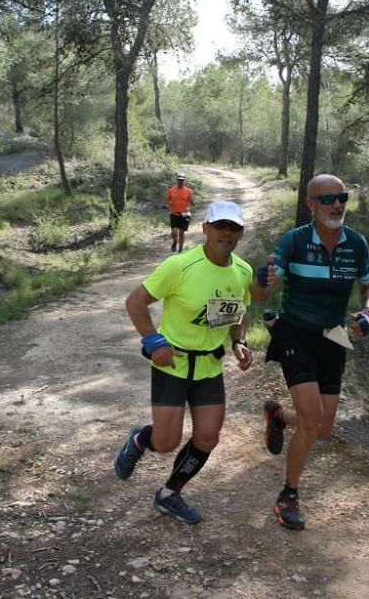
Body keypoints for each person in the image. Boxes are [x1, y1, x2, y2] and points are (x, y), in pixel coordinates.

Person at [114, 200, 259, 524]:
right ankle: (140, 439)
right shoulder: (179, 266)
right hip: (173, 364)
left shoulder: (243, 271)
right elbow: (135, 301)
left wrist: (239, 342)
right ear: (205, 228)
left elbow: (238, 311)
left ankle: (169, 495)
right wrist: (154, 342)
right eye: (220, 226)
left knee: (207, 437)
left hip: (209, 366)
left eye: (233, 227)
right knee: (165, 443)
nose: (226, 233)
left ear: (241, 233)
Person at [250, 174, 369, 530]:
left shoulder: (357, 244)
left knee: (322, 429)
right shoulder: (294, 241)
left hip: (335, 334)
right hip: (296, 332)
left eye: (343, 197)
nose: (338, 205)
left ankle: (277, 417)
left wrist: (368, 313)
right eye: (328, 199)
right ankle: (289, 495)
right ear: (311, 205)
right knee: (310, 421)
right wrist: (260, 282)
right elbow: (258, 294)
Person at [165, 173, 194, 252]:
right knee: (174, 232)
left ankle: (180, 249)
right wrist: (168, 205)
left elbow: (191, 201)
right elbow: (167, 200)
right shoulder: (171, 190)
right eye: (179, 180)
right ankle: (175, 241)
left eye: (182, 180)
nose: (180, 181)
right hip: (174, 213)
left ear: (184, 180)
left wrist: (191, 206)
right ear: (177, 180)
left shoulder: (189, 191)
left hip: (184, 214)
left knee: (181, 233)